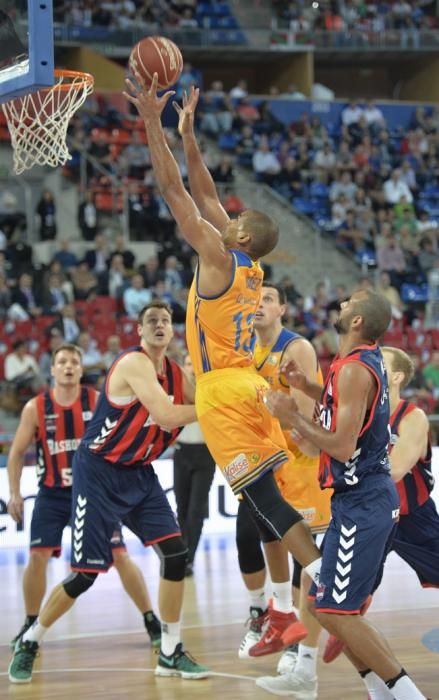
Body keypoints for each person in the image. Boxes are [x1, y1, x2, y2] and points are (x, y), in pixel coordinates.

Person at [124, 77, 322, 654]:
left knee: (265, 504)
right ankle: (283, 610)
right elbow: (205, 195)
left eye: (232, 218)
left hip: (221, 392)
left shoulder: (216, 254)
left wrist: (150, 123)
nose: (224, 214)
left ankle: (327, 589)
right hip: (248, 385)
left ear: (237, 234)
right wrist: (188, 135)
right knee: (263, 507)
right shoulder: (251, 269)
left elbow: (174, 192)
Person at [8, 303, 208, 683]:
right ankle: (30, 640)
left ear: (174, 331)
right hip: (98, 475)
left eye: (166, 320)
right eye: (152, 321)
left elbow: (208, 402)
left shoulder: (179, 375)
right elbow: (169, 416)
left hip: (139, 474)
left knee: (176, 553)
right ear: (139, 330)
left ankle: (169, 650)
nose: (160, 326)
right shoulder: (133, 364)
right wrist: (214, 406)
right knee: (86, 574)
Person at [259, 289, 428, 700]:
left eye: (348, 304)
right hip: (359, 500)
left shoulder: (354, 368)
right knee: (322, 603)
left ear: (357, 322)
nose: (340, 305)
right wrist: (307, 387)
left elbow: (343, 446)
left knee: (337, 610)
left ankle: (407, 695)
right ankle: (378, 688)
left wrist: (291, 413)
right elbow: (343, 406)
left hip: (363, 501)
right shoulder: (354, 363)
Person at [7, 343, 161, 652]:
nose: (68, 366)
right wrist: (14, 493)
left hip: (94, 492)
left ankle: (150, 619)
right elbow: (16, 453)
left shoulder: (98, 401)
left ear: (80, 369)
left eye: (74, 361)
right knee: (37, 556)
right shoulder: (35, 408)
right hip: (52, 493)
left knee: (119, 555)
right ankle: (30, 622)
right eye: (61, 361)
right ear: (52, 369)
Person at [323, 345, 439, 668]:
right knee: (344, 594)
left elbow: (397, 469)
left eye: (381, 364)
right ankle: (343, 630)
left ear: (397, 376)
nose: (370, 368)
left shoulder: (412, 417)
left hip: (413, 518)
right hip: (374, 517)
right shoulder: (363, 413)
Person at [237, 284, 332, 677]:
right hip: (268, 460)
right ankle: (271, 615)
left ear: (283, 309)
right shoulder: (245, 350)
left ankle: (298, 646)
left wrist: (268, 451)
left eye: (268, 299)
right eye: (255, 298)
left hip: (300, 461)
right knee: (253, 537)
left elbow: (303, 420)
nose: (259, 303)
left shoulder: (298, 348)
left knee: (302, 558)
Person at [173, 353, 216, 578]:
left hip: (205, 454)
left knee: (196, 511)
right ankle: (181, 555)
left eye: (194, 363)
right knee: (181, 508)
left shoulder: (209, 390)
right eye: (188, 364)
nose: (191, 368)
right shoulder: (177, 391)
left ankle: (189, 558)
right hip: (182, 452)